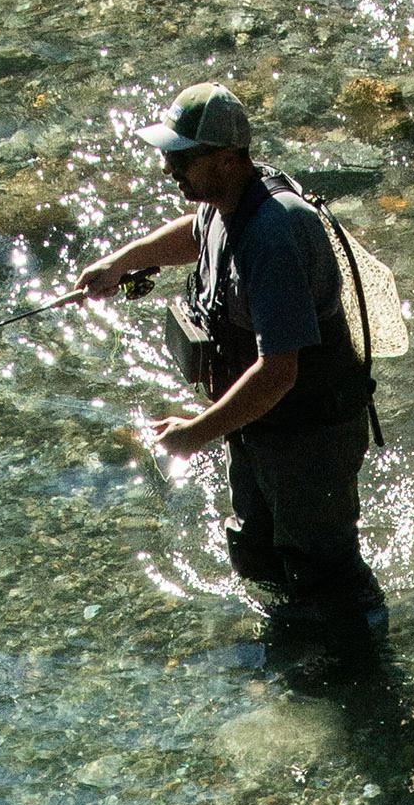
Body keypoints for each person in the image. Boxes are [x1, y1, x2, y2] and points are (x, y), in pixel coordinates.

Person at [77, 88, 385, 635]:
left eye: (181, 158)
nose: (169, 169)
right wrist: (123, 261)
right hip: (259, 422)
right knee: (257, 551)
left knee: (326, 573)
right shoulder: (225, 201)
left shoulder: (274, 234)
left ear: (225, 158)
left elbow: (279, 372)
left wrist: (195, 433)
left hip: (308, 434)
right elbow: (196, 235)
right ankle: (288, 648)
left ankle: (361, 661)